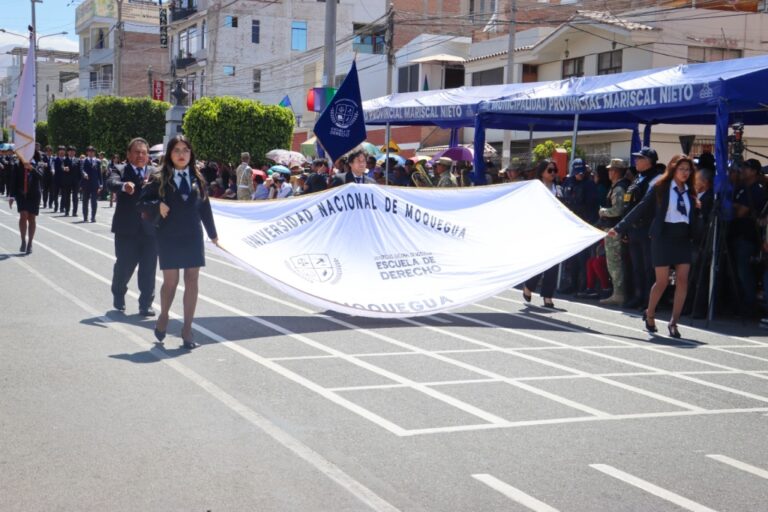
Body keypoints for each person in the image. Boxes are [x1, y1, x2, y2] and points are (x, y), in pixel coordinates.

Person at [609, 155, 702, 338]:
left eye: (688, 170)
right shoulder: (660, 187)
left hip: (683, 237)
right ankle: (650, 313)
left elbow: (693, 216)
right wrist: (620, 228)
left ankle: (674, 322)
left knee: (683, 280)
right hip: (663, 237)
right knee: (662, 281)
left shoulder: (690, 191)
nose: (685, 173)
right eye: (681, 169)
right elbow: (641, 207)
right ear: (673, 169)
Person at [139, 135, 218, 349]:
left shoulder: (198, 178)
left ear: (191, 154)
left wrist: (213, 234)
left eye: (185, 150)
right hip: (169, 236)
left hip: (192, 235)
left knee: (192, 280)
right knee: (171, 282)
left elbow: (205, 208)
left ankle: (187, 329)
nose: (181, 154)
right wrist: (157, 206)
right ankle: (164, 316)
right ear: (169, 154)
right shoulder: (158, 177)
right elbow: (142, 202)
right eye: (177, 150)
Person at [107, 137, 158, 316]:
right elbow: (110, 183)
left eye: (144, 152)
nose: (140, 156)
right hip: (126, 229)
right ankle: (118, 293)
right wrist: (123, 186)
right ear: (128, 155)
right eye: (137, 152)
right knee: (124, 265)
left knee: (149, 267)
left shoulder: (155, 172)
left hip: (150, 229)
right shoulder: (119, 169)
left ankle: (146, 304)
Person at [622, 147, 662, 309]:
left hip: (647, 229)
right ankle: (638, 296)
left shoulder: (656, 179)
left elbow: (649, 207)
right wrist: (625, 228)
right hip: (634, 228)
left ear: (649, 161)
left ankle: (649, 300)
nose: (636, 161)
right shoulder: (639, 177)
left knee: (648, 267)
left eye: (640, 158)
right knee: (637, 266)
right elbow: (630, 203)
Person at [522, 159, 563, 308]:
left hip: (555, 230)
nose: (552, 173)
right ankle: (529, 286)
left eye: (554, 170)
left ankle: (547, 296)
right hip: (539, 230)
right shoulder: (535, 187)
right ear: (542, 172)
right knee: (541, 262)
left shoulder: (558, 189)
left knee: (553, 263)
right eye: (549, 170)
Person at [729, 158, 766, 317]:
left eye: (747, 168)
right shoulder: (741, 187)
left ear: (754, 172)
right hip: (736, 233)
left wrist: (736, 206)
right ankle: (738, 302)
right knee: (735, 271)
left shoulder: (757, 189)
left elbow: (740, 212)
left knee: (743, 271)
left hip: (748, 236)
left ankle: (749, 303)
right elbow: (732, 207)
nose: (743, 170)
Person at [597, 158, 630, 306]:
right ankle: (618, 292)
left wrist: (603, 211)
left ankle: (619, 294)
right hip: (615, 230)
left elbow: (618, 210)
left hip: (614, 231)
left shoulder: (618, 189)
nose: (609, 172)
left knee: (614, 263)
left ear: (616, 172)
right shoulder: (618, 186)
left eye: (611, 170)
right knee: (614, 262)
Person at [8, 152, 42, 254]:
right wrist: (11, 196)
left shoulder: (39, 164)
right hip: (22, 194)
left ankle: (30, 243)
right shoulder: (18, 164)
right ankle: (23, 240)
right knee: (23, 215)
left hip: (34, 195)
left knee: (32, 218)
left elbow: (41, 176)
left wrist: (31, 168)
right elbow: (13, 181)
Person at [81, 146, 103, 222]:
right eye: (89, 151)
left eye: (92, 151)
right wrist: (84, 174)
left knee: (94, 201)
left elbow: (99, 174)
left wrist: (101, 184)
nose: (91, 153)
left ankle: (93, 217)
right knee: (85, 201)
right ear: (87, 152)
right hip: (86, 184)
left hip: (94, 184)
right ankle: (85, 217)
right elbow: (82, 169)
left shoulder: (98, 161)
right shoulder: (83, 161)